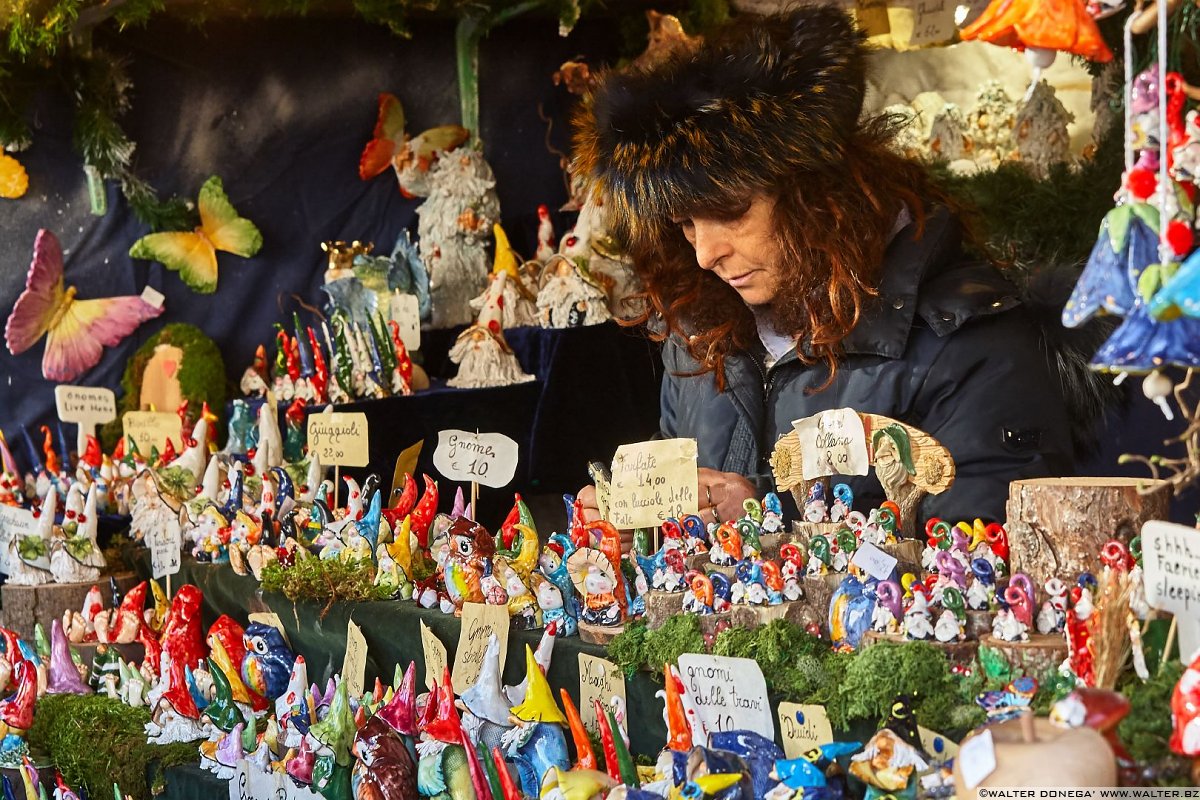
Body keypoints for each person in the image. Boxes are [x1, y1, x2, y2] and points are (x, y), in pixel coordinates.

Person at [571, 6, 1079, 532]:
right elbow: (685, 480)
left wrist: (764, 522)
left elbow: (985, 568)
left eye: (731, 212)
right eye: (685, 224)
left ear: (817, 194)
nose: (705, 254)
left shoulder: (973, 344)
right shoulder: (699, 330)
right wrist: (639, 521)